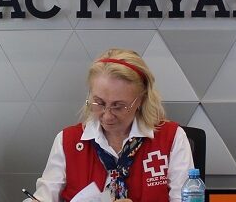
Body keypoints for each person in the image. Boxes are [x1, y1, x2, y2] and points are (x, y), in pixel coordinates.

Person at [27, 48, 194, 202]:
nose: (107, 116)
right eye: (99, 102)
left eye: (118, 106)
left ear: (141, 100)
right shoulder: (67, 141)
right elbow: (43, 197)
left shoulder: (171, 138)